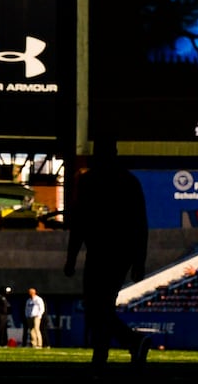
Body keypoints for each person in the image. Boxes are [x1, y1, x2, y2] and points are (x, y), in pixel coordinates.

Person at [64, 137, 151, 368]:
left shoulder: (89, 181)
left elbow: (80, 222)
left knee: (97, 307)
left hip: (103, 253)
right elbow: (140, 225)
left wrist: (71, 257)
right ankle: (115, 349)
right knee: (100, 307)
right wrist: (138, 260)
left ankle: (122, 345)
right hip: (119, 254)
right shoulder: (129, 181)